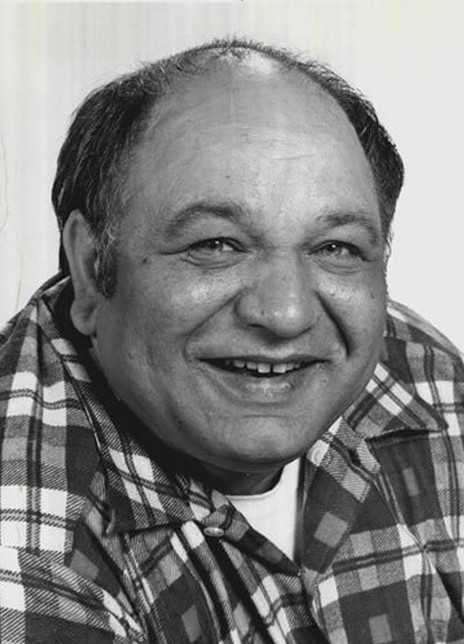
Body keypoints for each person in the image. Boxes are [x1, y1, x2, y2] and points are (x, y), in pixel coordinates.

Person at [0, 38, 463, 644]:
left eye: (336, 248)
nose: (287, 314)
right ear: (91, 269)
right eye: (216, 245)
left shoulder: (420, 371)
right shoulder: (28, 555)